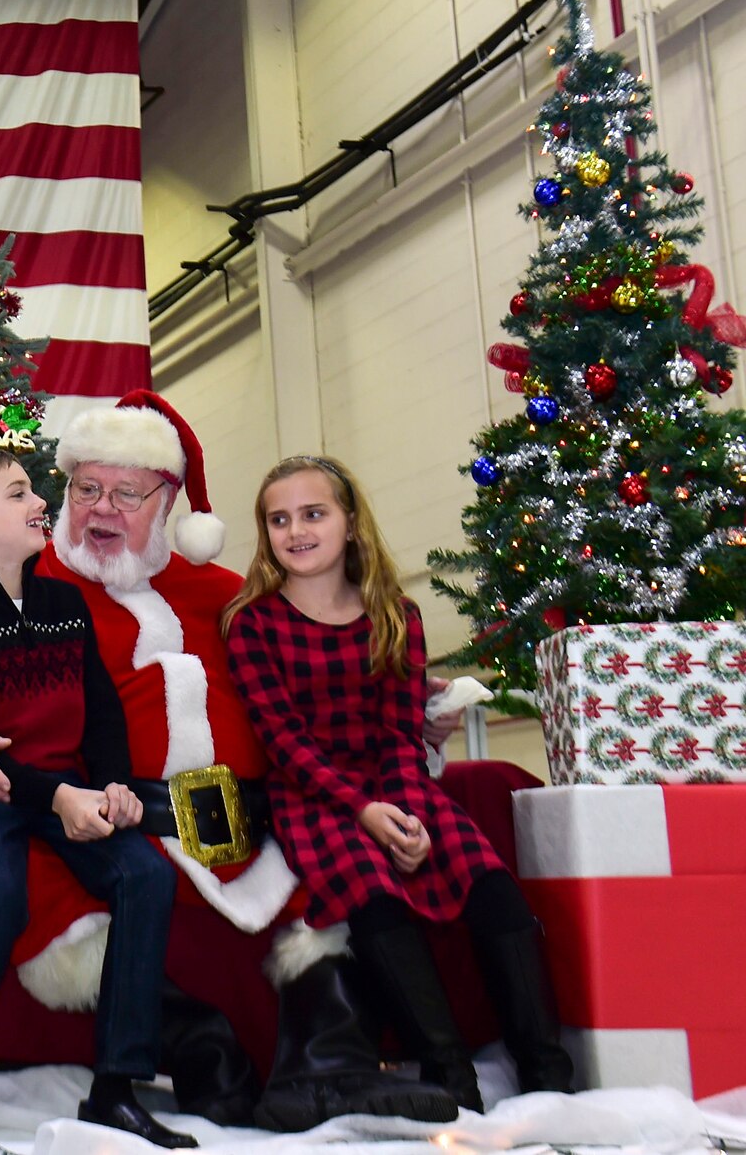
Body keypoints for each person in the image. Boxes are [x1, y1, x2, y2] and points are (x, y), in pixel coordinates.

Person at [0, 392, 455, 1131]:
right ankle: (203, 1057)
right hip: (108, 818)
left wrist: (413, 711)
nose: (101, 509)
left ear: (171, 500)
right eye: (85, 488)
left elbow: (324, 681)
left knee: (326, 881)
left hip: (249, 827)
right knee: (75, 913)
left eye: (127, 492)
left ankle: (327, 1067)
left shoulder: (230, 595)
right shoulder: (21, 583)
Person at [221, 454, 575, 1112]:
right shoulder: (254, 622)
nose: (295, 529)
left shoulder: (395, 612)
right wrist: (365, 812)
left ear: (351, 523)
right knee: (374, 892)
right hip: (315, 796)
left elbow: (398, 733)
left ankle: (547, 1073)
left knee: (490, 884)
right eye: (279, 519)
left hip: (395, 780)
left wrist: (408, 813)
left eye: (313, 513)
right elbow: (285, 742)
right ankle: (450, 1075)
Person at [0, 448, 194, 1149]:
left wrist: (111, 780)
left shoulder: (64, 602)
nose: (39, 501)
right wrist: (56, 796)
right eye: (19, 491)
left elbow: (103, 707)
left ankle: (116, 1088)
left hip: (64, 783)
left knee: (145, 873)